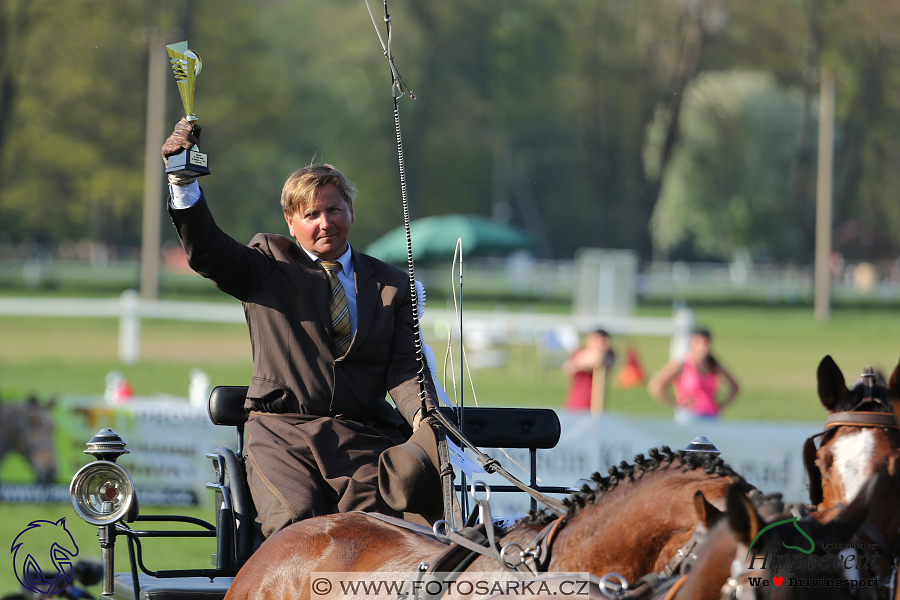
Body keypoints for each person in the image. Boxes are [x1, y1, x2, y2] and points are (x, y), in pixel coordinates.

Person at [161, 119, 438, 538]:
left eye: (334, 210)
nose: (325, 222)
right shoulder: (267, 265)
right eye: (311, 214)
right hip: (281, 436)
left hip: (362, 439)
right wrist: (184, 183)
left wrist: (426, 418)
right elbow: (209, 252)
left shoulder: (393, 285)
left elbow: (404, 369)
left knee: (376, 538)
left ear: (351, 213)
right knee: (297, 533)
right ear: (291, 222)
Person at [646, 327, 739, 423]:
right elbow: (656, 386)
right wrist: (675, 404)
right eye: (698, 342)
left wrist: (722, 405)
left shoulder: (713, 364)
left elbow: (735, 386)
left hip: (712, 415)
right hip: (690, 415)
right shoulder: (682, 364)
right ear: (692, 343)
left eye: (706, 343)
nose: (702, 347)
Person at [562, 329, 616, 412]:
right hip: (577, 404)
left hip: (596, 405)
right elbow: (567, 367)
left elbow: (601, 359)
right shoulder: (579, 352)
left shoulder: (609, 354)